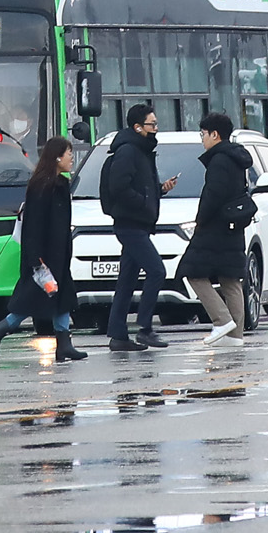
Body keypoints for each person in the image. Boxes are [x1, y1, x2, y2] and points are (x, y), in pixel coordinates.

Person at [0, 136, 86, 363]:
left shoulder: (59, 183)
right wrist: (36, 259)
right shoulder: (43, 186)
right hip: (44, 256)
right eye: (69, 154)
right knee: (33, 300)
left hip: (58, 254)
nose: (71, 159)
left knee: (62, 297)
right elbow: (33, 225)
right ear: (57, 157)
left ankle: (64, 344)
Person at [100, 104, 177, 353]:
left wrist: (159, 190)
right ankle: (145, 328)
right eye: (151, 125)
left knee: (127, 280)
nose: (155, 129)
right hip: (130, 224)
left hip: (137, 224)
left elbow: (139, 184)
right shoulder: (128, 151)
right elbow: (119, 187)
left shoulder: (141, 151)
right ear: (137, 127)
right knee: (157, 271)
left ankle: (118, 335)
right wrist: (144, 202)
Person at [177, 112, 254, 346]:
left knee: (192, 273)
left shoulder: (219, 160)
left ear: (215, 134)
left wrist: (200, 220)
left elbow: (213, 194)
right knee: (230, 279)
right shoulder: (236, 158)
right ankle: (234, 336)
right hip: (233, 227)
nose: (202, 139)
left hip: (215, 228)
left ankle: (221, 320)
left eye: (203, 134)